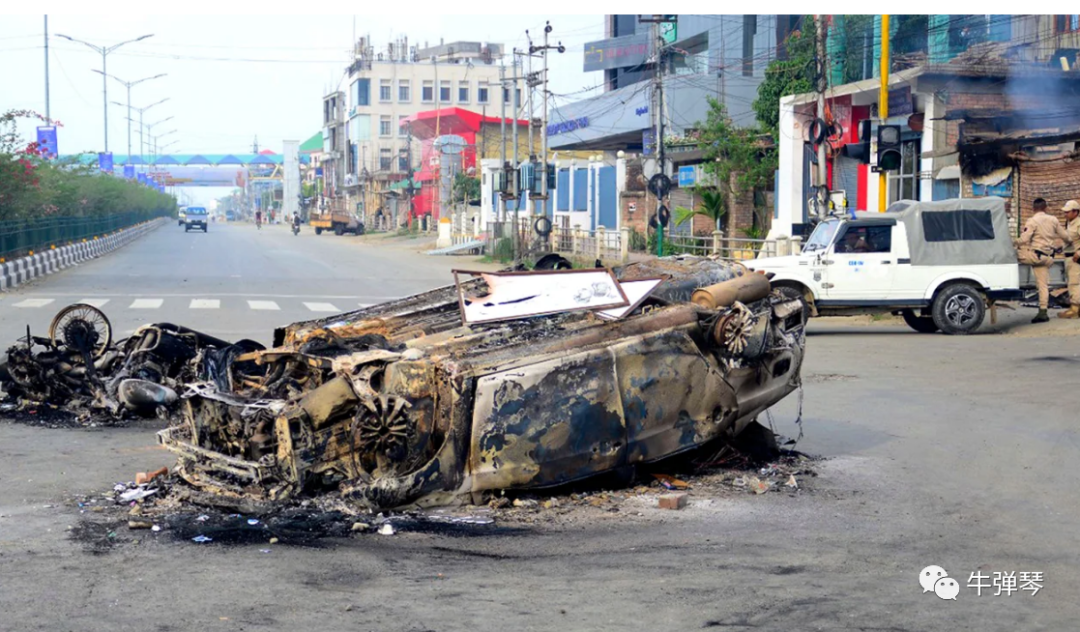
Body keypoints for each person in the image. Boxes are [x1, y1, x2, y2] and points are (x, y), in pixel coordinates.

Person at [1018, 198, 1070, 323]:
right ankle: (1043, 312)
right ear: (1045, 208)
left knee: (1012, 254)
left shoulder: (1032, 220)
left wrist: (1011, 243)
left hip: (1035, 257)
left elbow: (1024, 239)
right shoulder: (1053, 220)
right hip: (1048, 258)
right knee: (1042, 285)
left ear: (1033, 209)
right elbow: (1066, 237)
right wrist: (1060, 247)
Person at [1060, 200, 1080, 319]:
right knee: (1072, 282)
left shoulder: (1078, 224)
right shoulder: (1069, 224)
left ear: (1075, 212)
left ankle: (1075, 309)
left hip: (1075, 258)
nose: (1065, 214)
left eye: (1068, 212)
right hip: (1068, 256)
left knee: (1075, 283)